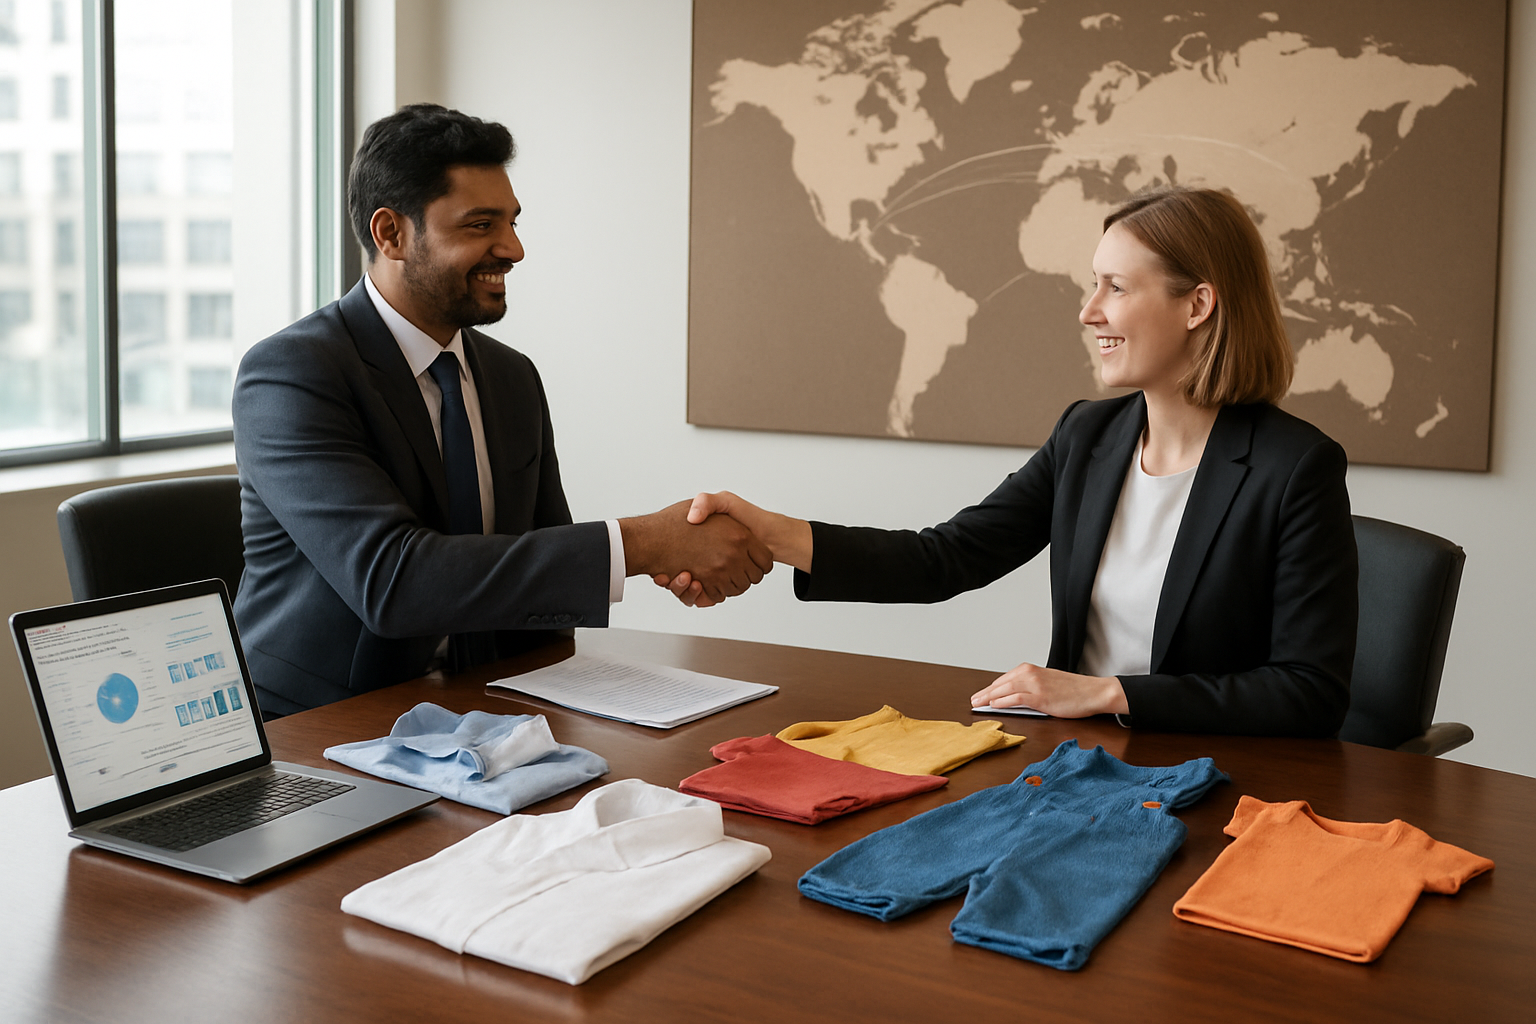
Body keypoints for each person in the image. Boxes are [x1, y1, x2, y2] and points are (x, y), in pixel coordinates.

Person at [662, 186, 1358, 738]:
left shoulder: (1296, 468)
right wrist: (772, 534)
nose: (1089, 312)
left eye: (1116, 287)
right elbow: (946, 557)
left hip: (1218, 781)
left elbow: (1308, 692)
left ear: (1198, 304)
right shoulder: (1089, 436)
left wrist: (1106, 692)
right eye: (1094, 285)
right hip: (1082, 763)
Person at [233, 104, 770, 714]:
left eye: (513, 222)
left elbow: (536, 573)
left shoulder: (512, 376)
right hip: (322, 721)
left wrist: (561, 716)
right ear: (391, 234)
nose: (512, 248)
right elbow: (393, 581)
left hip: (483, 711)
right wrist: (642, 545)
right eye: (479, 224)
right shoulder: (292, 374)